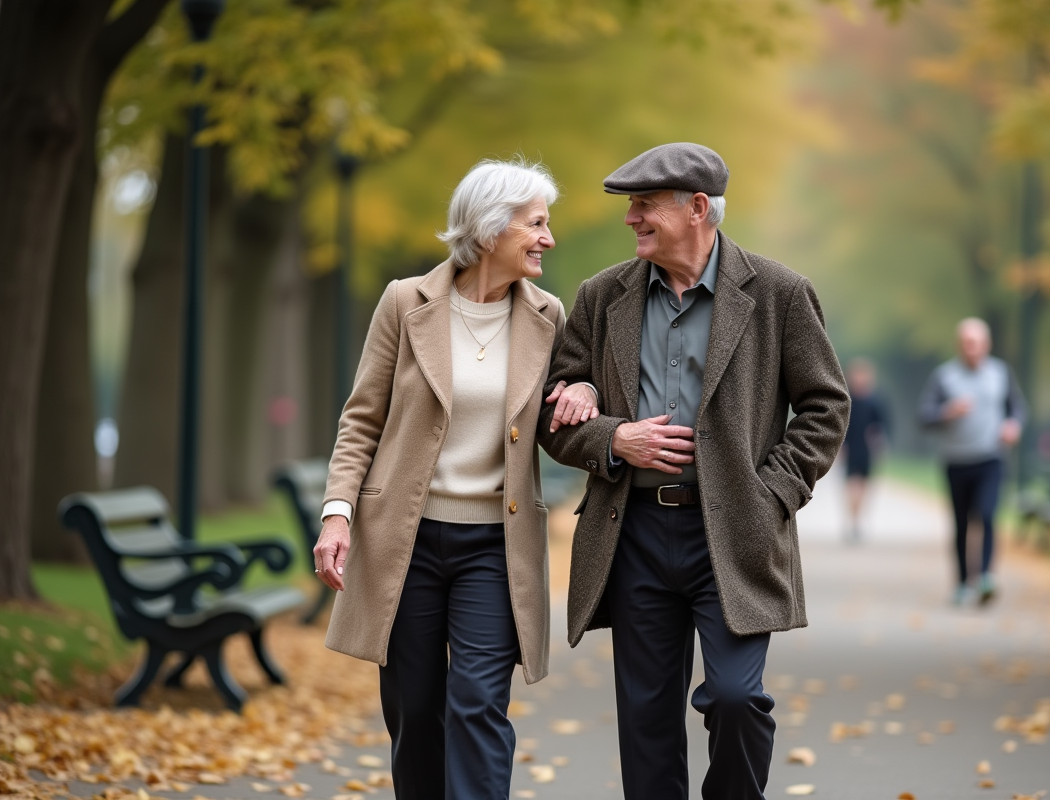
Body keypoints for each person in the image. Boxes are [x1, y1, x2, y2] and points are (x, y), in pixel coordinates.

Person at [539, 143, 850, 800]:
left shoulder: (780, 293)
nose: (632, 219)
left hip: (736, 533)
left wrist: (773, 493)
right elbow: (554, 415)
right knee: (647, 720)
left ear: (698, 208)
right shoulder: (601, 295)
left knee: (737, 698)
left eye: (645, 205)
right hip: (634, 533)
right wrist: (613, 438)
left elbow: (826, 406)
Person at [311, 157, 594, 800]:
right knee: (415, 711)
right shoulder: (404, 302)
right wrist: (337, 513)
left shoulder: (549, 315)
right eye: (536, 224)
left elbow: (570, 392)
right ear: (492, 228)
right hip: (404, 540)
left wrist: (586, 389)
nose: (548, 238)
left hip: (495, 544)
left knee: (478, 703)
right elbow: (362, 420)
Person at [918, 317, 1026, 607]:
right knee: (962, 523)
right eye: (966, 343)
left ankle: (986, 577)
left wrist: (1013, 425)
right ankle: (963, 583)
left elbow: (1016, 407)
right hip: (956, 461)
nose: (971, 348)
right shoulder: (945, 376)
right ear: (959, 345)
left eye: (976, 343)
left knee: (987, 515)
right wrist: (947, 412)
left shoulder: (1001, 373)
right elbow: (924, 415)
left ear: (986, 345)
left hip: (991, 457)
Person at [841, 358, 889, 543]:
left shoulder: (874, 401)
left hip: (867, 449)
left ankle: (858, 519)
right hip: (851, 448)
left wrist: (880, 444)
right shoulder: (847, 400)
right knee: (852, 485)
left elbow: (882, 426)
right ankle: (853, 521)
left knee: (864, 486)